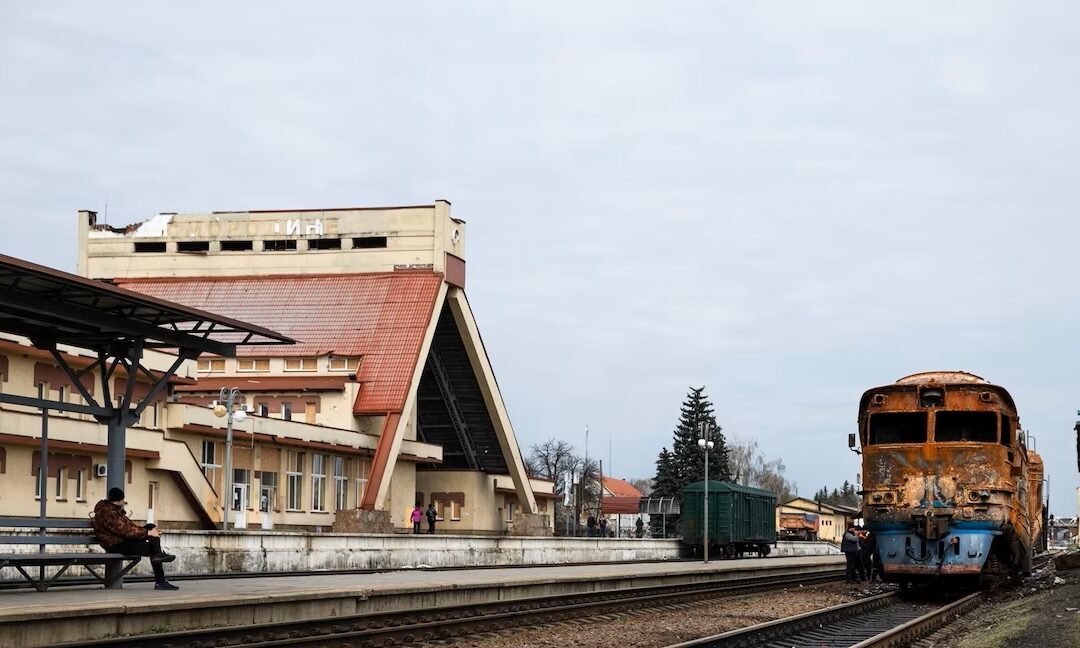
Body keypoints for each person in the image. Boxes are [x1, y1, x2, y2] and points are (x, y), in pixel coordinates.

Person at [91, 487, 178, 590]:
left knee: (150, 526)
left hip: (123, 540)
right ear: (120, 500)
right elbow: (124, 530)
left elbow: (129, 528)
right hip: (115, 545)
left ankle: (158, 555)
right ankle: (160, 580)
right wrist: (147, 533)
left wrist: (148, 531)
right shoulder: (108, 512)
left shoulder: (113, 510)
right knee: (152, 548)